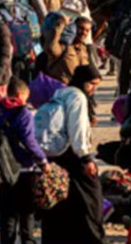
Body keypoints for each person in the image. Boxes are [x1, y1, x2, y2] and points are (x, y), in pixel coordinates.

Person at [39, 64, 104, 244]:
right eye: (91, 83)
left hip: (57, 155)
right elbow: (77, 129)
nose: (94, 88)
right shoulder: (78, 97)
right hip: (73, 156)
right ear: (82, 81)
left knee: (61, 199)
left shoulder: (60, 92)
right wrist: (85, 157)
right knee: (91, 200)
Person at [0, 78, 46, 244]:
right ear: (21, 94)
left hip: (3, 168)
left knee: (7, 213)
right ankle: (27, 240)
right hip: (24, 168)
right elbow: (29, 141)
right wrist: (42, 160)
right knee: (26, 211)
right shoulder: (24, 113)